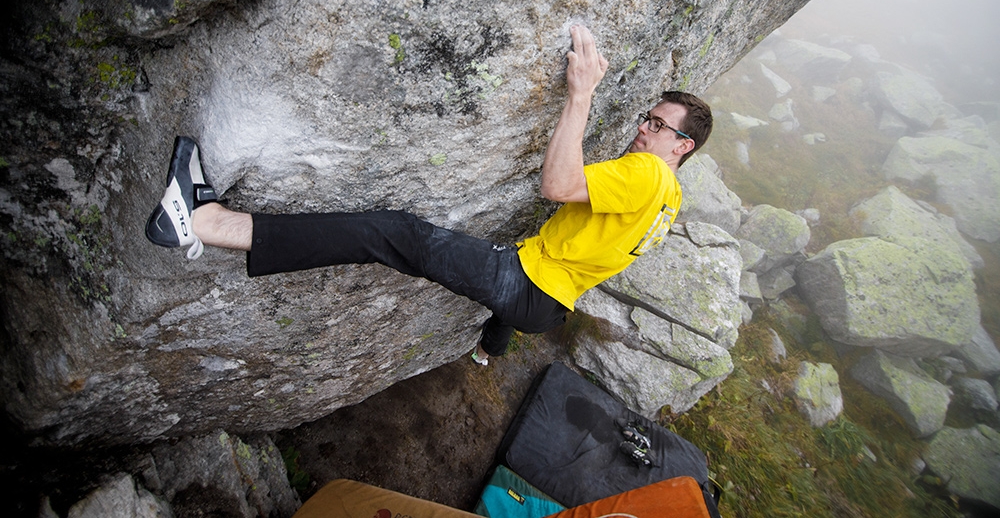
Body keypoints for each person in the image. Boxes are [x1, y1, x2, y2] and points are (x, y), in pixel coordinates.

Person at [145, 26, 713, 365]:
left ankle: (204, 222)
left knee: (392, 233)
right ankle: (490, 352)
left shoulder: (647, 172)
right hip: (549, 304)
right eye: (648, 119)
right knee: (506, 282)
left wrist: (581, 94)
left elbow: (559, 185)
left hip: (528, 284)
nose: (644, 130)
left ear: (681, 145)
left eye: (658, 125)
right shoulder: (670, 202)